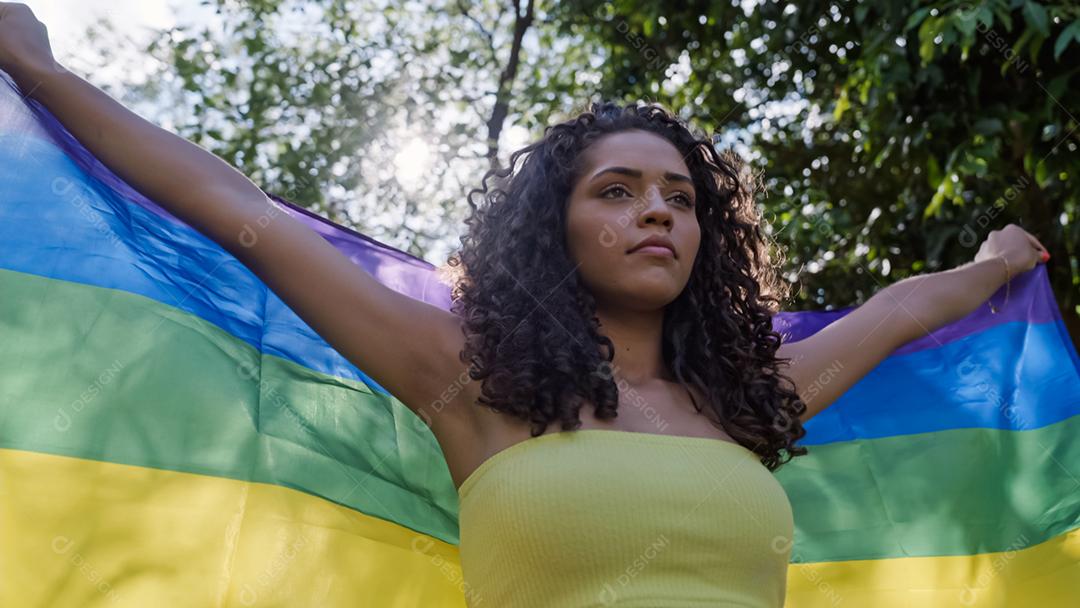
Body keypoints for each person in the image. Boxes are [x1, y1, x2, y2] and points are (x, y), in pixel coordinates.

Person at [0, 3, 1052, 606]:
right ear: (554, 226)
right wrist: (39, 73)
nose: (658, 214)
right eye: (618, 191)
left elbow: (902, 311)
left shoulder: (747, 402)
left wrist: (998, 261)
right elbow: (242, 213)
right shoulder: (469, 376)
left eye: (681, 199)